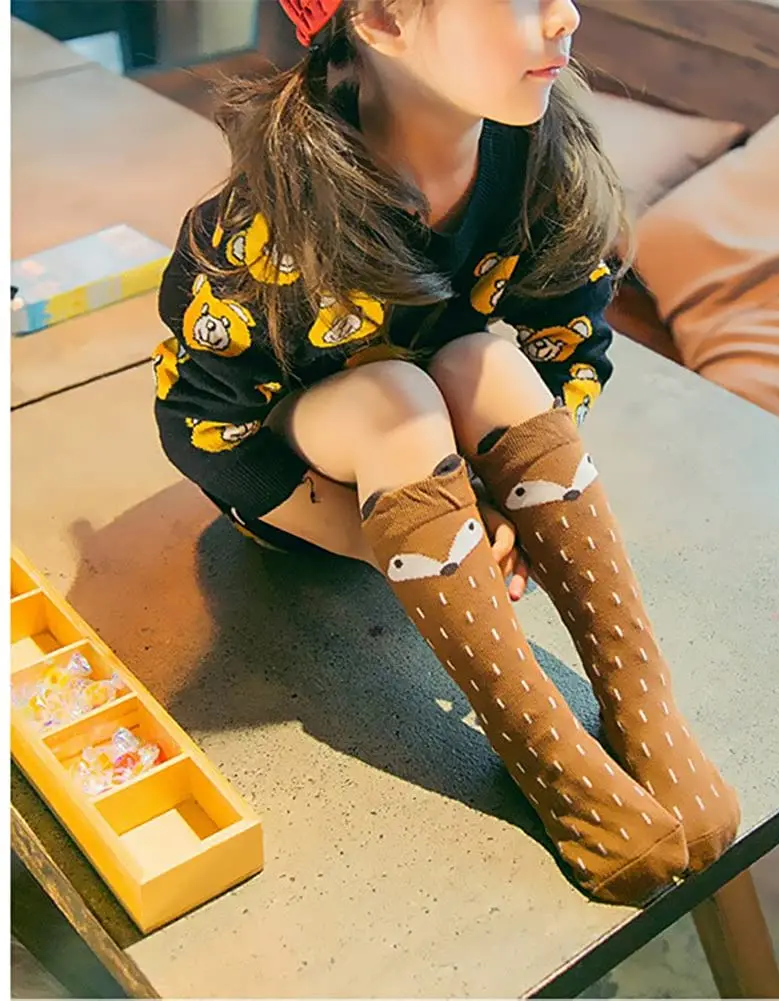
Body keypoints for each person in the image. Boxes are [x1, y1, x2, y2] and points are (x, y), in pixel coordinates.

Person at [153, 0, 739, 905]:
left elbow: (569, 345)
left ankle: (640, 702)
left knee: (484, 363)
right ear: (381, 19)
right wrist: (361, 533)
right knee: (396, 397)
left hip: (445, 463)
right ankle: (541, 749)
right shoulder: (263, 226)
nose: (564, 16)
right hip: (309, 481)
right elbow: (200, 421)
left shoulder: (541, 157)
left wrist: (504, 503)